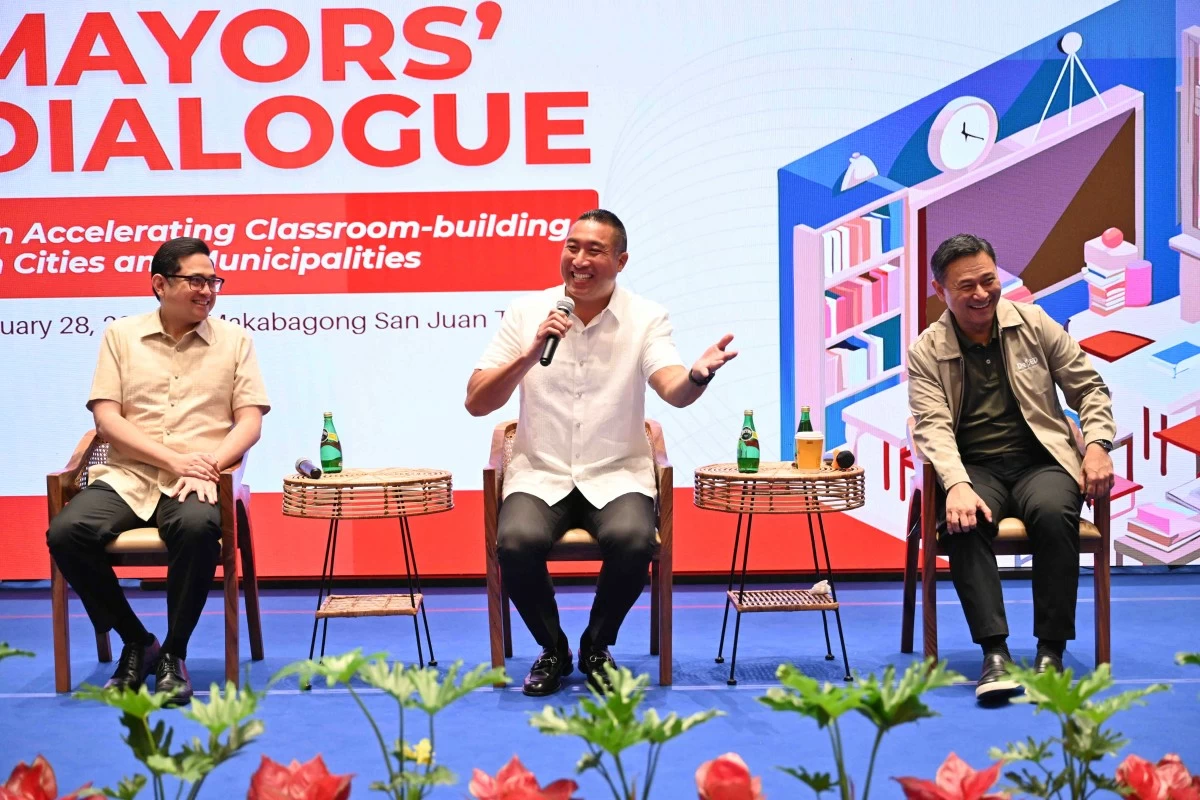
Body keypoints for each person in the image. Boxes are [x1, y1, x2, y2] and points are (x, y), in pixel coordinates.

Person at [466, 209, 736, 696]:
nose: (579, 260)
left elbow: (671, 386)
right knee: (515, 543)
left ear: (620, 260)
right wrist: (530, 354)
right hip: (539, 473)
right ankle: (553, 648)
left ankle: (596, 644)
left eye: (594, 250)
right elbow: (476, 401)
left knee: (635, 539)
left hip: (617, 473)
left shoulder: (646, 317)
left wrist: (698, 374)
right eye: (572, 247)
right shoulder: (527, 314)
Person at [47, 237, 270, 705]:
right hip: (128, 477)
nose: (208, 290)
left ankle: (174, 652)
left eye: (214, 281)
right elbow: (106, 419)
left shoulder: (235, 340)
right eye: (196, 280)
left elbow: (250, 420)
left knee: (195, 528)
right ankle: (138, 641)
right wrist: (172, 461)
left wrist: (207, 466)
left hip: (198, 480)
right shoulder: (121, 336)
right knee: (66, 532)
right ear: (160, 284)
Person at [907, 233, 1115, 703]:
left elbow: (1090, 388)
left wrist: (1098, 444)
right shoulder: (927, 350)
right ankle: (994, 655)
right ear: (941, 291)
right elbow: (933, 427)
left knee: (1052, 514)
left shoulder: (1034, 322)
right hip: (973, 466)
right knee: (964, 520)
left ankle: (1051, 652)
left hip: (1042, 461)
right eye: (966, 286)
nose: (981, 294)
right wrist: (956, 484)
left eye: (988, 280)